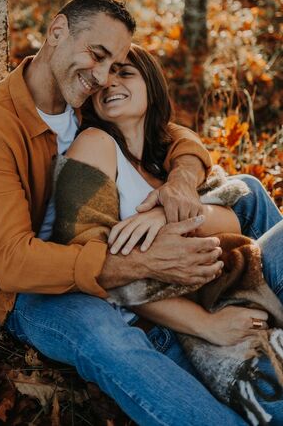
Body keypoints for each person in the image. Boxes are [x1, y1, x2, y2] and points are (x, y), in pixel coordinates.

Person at [0, 0, 270, 425]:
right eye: (97, 56)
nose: (103, 78)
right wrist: (141, 264)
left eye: (115, 64)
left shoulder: (85, 97)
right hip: (36, 291)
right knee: (108, 338)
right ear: (57, 31)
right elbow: (11, 262)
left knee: (247, 191)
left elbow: (170, 131)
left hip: (115, 250)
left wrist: (179, 181)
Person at [43, 43, 283, 424]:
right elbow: (99, 270)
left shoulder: (164, 155)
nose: (109, 83)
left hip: (226, 284)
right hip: (171, 323)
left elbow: (235, 221)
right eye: (103, 78)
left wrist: (162, 215)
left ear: (151, 85)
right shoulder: (95, 145)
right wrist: (208, 325)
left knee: (252, 192)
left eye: (125, 72)